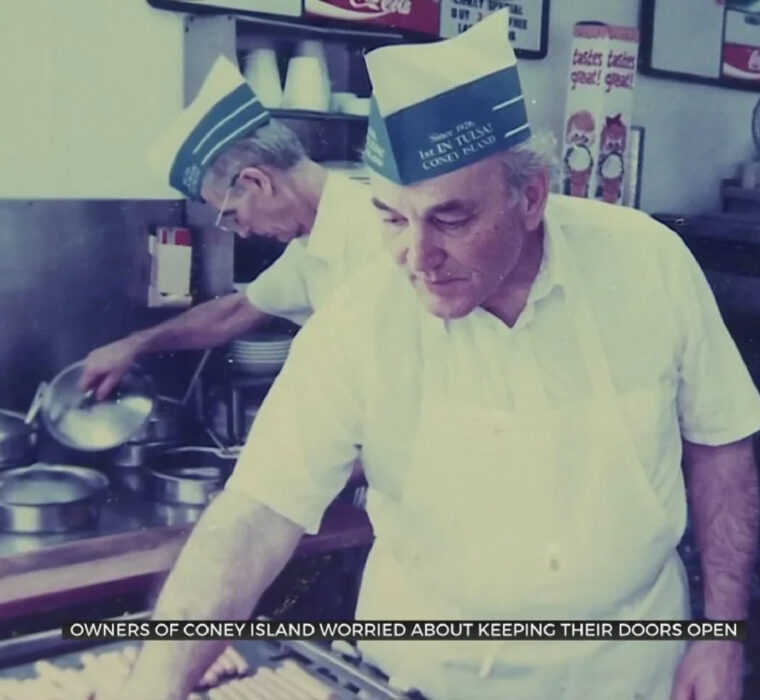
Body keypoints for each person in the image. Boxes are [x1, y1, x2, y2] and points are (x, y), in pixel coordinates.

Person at [118, 11, 760, 700]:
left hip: (627, 667)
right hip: (430, 674)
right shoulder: (363, 316)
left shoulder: (647, 265)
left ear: (531, 197)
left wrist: (723, 636)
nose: (416, 259)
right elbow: (252, 517)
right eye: (393, 219)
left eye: (451, 219)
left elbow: (721, 445)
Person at [79, 56, 381, 400]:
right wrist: (134, 345)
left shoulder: (381, 229)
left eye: (233, 214)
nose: (244, 232)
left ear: (256, 182)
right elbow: (235, 312)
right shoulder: (312, 241)